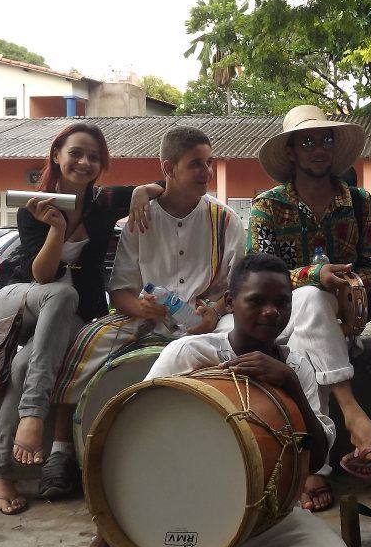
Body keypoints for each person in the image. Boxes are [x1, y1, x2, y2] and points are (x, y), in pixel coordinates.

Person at [131, 252, 361, 547]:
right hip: (192, 517)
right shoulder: (190, 354)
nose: (271, 312)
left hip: (272, 515)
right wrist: (116, 534)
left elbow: (315, 458)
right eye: (256, 300)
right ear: (231, 302)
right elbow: (134, 435)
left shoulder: (297, 366)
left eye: (281, 302)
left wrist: (289, 384)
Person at [46, 126, 244, 497]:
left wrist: (215, 311)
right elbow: (120, 289)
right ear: (168, 168)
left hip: (208, 318)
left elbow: (238, 287)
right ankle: (61, 450)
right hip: (145, 317)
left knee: (238, 342)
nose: (206, 172)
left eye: (209, 163)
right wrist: (141, 307)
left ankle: (237, 444)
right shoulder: (141, 217)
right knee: (88, 339)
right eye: (196, 164)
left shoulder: (226, 219)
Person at [0, 122, 162, 513]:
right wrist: (56, 229)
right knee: (61, 293)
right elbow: (42, 276)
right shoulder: (35, 206)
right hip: (23, 299)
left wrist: (140, 192)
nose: (84, 162)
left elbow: (164, 183)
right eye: (76, 153)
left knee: (23, 365)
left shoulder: (104, 202)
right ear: (56, 156)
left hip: (71, 314)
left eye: (94, 157)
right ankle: (34, 415)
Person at [247, 105, 371, 505]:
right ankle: (350, 411)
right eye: (307, 141)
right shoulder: (267, 206)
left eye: (325, 139)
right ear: (291, 151)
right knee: (310, 298)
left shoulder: (357, 201)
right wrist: (314, 276)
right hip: (282, 315)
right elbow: (260, 274)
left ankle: (313, 469)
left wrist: (349, 287)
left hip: (347, 316)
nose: (319, 148)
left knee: (314, 316)